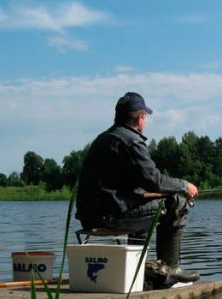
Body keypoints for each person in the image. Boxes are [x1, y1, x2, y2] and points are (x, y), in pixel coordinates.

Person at [75, 91, 199, 284]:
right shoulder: (130, 141)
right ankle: (170, 270)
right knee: (178, 201)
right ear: (140, 118)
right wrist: (184, 185)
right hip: (111, 217)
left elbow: (126, 184)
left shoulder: (103, 138)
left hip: (88, 216)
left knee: (143, 201)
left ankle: (138, 269)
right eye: (145, 117)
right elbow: (154, 181)